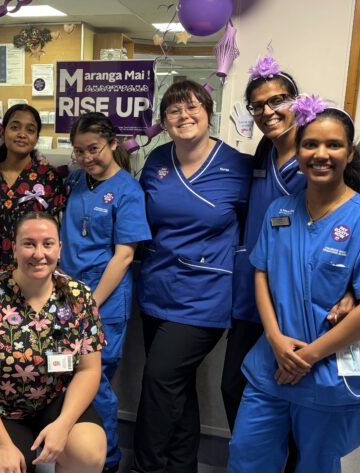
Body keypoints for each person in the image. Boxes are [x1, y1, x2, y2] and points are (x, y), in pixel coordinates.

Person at [227, 98, 360, 473]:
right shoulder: (280, 211)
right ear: (299, 150)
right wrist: (276, 340)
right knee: (247, 456)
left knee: (315, 464)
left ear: (350, 152)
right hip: (272, 364)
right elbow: (260, 272)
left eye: (333, 145)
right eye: (310, 144)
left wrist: (306, 358)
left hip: (327, 370)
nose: (320, 154)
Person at [133, 80, 251, 473]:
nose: (183, 116)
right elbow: (141, 217)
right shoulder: (157, 161)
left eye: (191, 108)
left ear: (208, 111)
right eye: (173, 111)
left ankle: (149, 465)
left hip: (205, 296)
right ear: (164, 122)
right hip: (157, 287)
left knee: (159, 380)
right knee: (176, 384)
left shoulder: (237, 167)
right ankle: (181, 465)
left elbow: (257, 226)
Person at [0, 212, 107, 473]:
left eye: (47, 243)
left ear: (60, 248)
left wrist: (64, 424)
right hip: (1, 409)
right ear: (14, 248)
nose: (39, 253)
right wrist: (2, 445)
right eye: (29, 244)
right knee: (1, 468)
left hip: (56, 402)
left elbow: (89, 370)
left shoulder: (79, 296)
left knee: (87, 453)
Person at [59, 112, 151, 473]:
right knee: (66, 375)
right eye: (79, 151)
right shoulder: (78, 181)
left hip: (103, 304)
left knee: (94, 382)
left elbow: (124, 256)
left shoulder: (128, 190)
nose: (87, 158)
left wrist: (88, 305)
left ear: (113, 143)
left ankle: (107, 460)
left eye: (94, 149)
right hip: (68, 298)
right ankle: (73, 451)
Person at [0, 104, 66, 281]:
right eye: (15, 127)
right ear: (3, 132)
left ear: (36, 138)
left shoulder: (49, 178)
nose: (22, 134)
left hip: (37, 276)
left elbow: (54, 232)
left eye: (30, 129)